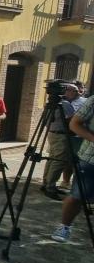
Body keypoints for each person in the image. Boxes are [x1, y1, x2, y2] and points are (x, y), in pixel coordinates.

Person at [51, 95, 94, 242]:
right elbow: (74, 124)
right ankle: (65, 227)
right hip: (90, 158)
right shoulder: (93, 101)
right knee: (77, 196)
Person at [41, 83, 86, 200]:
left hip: (53, 133)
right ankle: (50, 187)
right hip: (61, 135)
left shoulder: (51, 103)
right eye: (74, 91)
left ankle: (46, 183)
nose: (77, 93)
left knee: (52, 159)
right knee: (58, 162)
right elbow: (72, 120)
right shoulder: (64, 104)